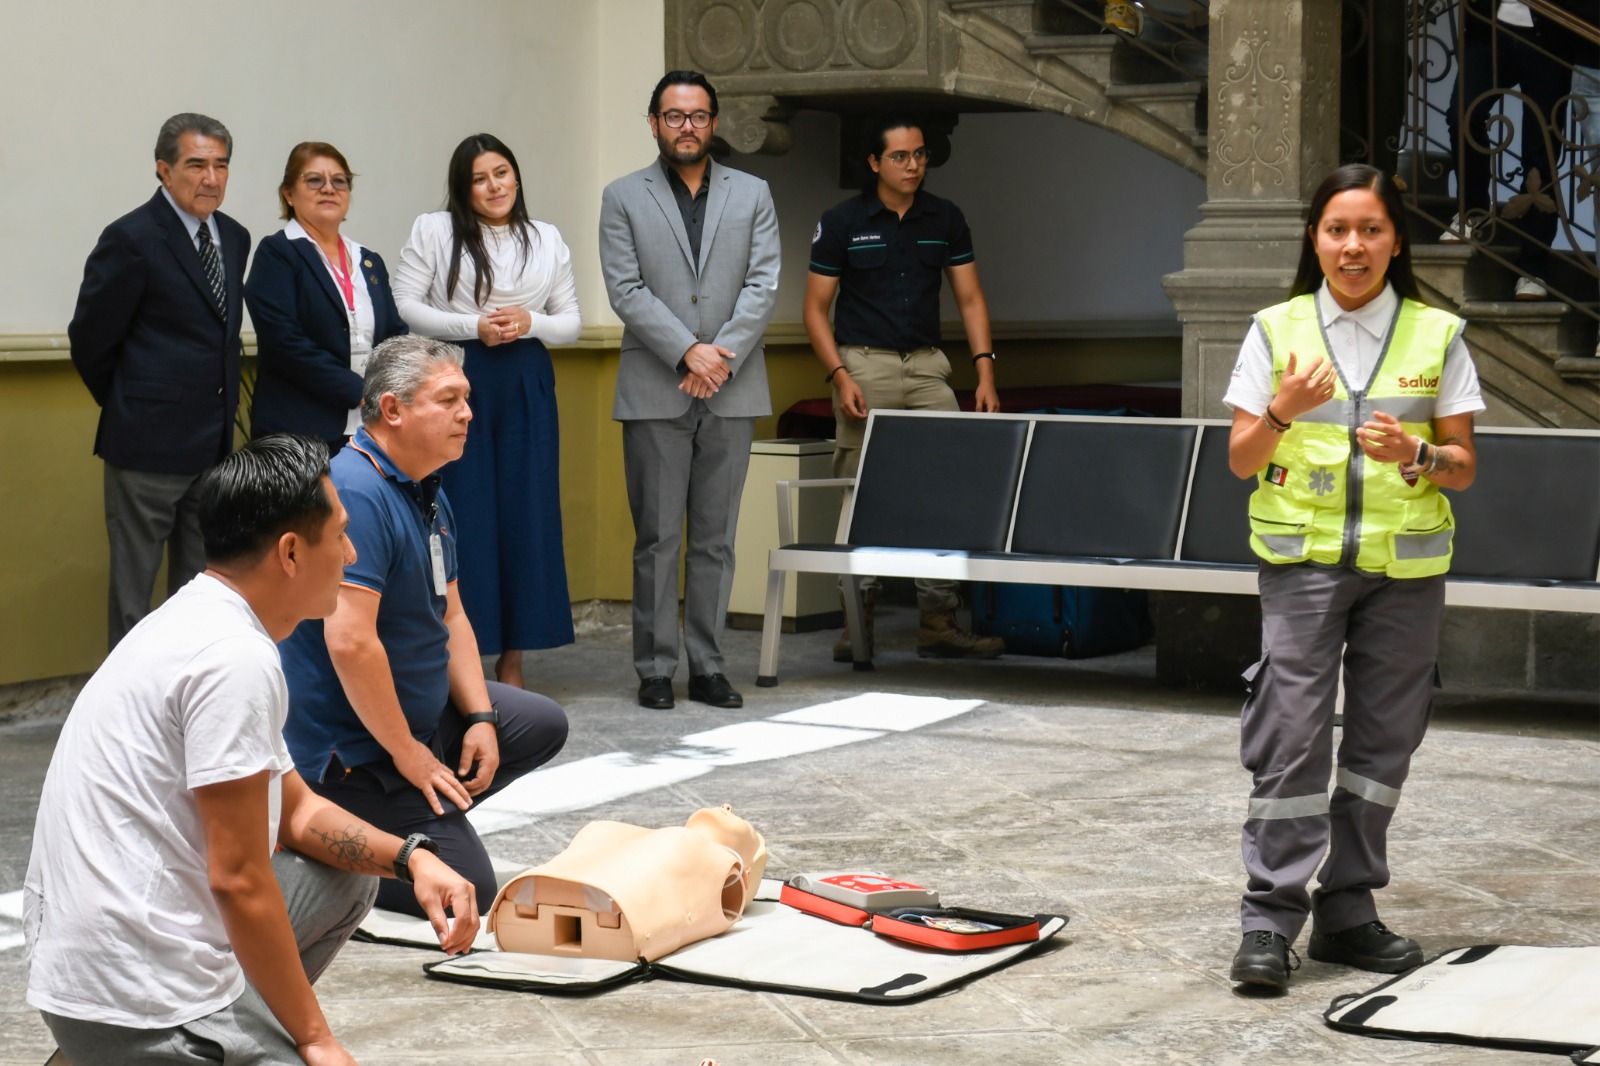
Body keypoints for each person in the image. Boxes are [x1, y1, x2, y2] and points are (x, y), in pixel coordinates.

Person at [25, 434, 478, 1066]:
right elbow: (238, 878)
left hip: (97, 964)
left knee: (346, 879)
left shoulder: (202, 616)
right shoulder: (233, 660)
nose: (351, 554)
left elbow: (296, 811)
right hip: (137, 1000)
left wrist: (412, 858)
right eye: (340, 536)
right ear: (291, 552)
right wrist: (315, 1038)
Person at [1222, 164, 1485, 992]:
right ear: (1315, 239)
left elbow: (1464, 467)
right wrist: (1282, 410)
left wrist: (1418, 453)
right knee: (1291, 739)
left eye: (1371, 229)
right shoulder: (1275, 329)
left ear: (1396, 241)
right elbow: (1240, 460)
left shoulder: (1438, 334)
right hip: (1302, 568)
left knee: (1381, 746)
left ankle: (1347, 910)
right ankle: (1269, 921)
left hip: (1404, 572)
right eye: (1338, 229)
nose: (1353, 246)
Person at [279, 335, 569, 919]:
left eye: (467, 398)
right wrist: (410, 755)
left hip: (416, 720)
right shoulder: (355, 492)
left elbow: (452, 613)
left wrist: (481, 719)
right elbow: (350, 642)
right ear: (392, 409)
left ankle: (420, 816)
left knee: (539, 722)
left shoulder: (423, 486)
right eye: (449, 400)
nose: (468, 414)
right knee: (470, 889)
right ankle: (331, 838)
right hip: (356, 749)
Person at [599, 70, 781, 711]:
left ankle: (708, 666)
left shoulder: (753, 193)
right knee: (657, 537)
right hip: (655, 385)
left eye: (698, 116)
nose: (687, 127)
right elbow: (625, 289)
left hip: (733, 386)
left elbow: (763, 284)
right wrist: (687, 350)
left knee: (715, 537)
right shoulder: (623, 196)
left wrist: (718, 359)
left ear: (714, 122)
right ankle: (655, 668)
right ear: (654, 123)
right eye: (674, 116)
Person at [803, 113, 1004, 662]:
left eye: (919, 155)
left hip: (927, 367)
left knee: (945, 487)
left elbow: (970, 299)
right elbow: (815, 310)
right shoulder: (842, 222)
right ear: (874, 162)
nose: (913, 165)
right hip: (863, 365)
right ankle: (857, 622)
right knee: (861, 492)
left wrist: (985, 372)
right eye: (899, 156)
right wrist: (840, 375)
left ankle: (938, 620)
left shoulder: (945, 217)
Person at [393, 134, 580, 689]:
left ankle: (513, 661)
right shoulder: (435, 230)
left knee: (528, 514)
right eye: (479, 178)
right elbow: (406, 306)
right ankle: (463, 655)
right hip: (455, 377)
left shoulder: (546, 237)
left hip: (526, 380)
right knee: (462, 514)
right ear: (463, 187)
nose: (494, 186)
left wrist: (530, 323)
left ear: (516, 176)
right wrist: (472, 326)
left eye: (501, 173)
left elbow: (570, 322)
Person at [69, 112, 250, 649]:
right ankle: (128, 698)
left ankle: (186, 690)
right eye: (196, 165)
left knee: (200, 590)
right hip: (145, 446)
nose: (211, 178)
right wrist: (132, 404)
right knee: (135, 595)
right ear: (164, 170)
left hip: (213, 446)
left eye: (221, 165)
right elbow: (91, 339)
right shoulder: (131, 237)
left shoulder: (234, 236)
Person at [246, 142, 408, 453]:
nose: (329, 189)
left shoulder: (367, 260)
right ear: (289, 194)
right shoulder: (277, 253)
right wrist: (358, 390)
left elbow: (393, 334)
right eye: (314, 180)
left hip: (370, 429)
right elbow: (284, 342)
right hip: (300, 431)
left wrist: (393, 386)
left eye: (339, 181)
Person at [1441, 0, 1568, 299]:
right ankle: (1473, 211)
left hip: (1550, 36)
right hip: (1488, 29)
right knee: (1463, 115)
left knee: (1541, 149)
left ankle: (1533, 267)